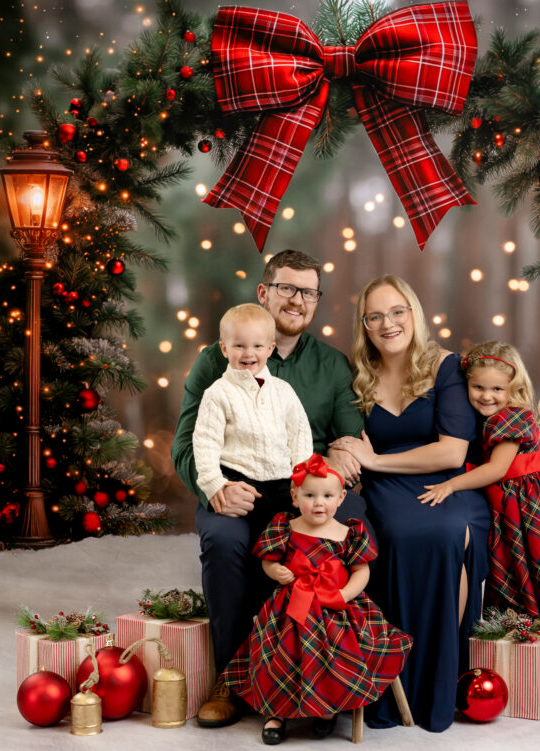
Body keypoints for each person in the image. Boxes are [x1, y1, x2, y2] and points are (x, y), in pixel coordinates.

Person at [171, 249, 369, 728]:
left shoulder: (332, 365)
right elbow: (187, 444)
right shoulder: (215, 362)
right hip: (234, 485)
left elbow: (348, 442)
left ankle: (332, 674)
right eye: (286, 288)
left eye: (308, 292)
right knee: (225, 540)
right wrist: (216, 489)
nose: (297, 300)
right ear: (264, 292)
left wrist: (322, 477)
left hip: (304, 486)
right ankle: (231, 678)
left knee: (352, 524)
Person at [329, 275, 490, 733]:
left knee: (448, 533)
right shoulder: (358, 374)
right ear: (364, 325)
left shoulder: (445, 366)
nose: (388, 323)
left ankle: (439, 681)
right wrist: (344, 454)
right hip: (387, 489)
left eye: (397, 311)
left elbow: (453, 452)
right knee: (396, 535)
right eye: (375, 316)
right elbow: (344, 438)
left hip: (448, 483)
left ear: (414, 313)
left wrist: (376, 460)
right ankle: (393, 679)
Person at [222, 453, 411, 745]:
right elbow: (268, 560)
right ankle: (275, 713)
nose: (318, 503)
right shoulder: (285, 526)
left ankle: (326, 708)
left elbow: (361, 571)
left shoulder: (349, 532)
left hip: (334, 605)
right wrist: (276, 571)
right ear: (295, 497)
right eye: (310, 495)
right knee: (280, 653)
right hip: (292, 605)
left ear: (341, 498)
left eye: (327, 496)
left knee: (337, 649)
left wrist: (344, 594)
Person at [418, 341, 540, 623]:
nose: (486, 396)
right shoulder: (484, 420)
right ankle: (524, 644)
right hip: (512, 508)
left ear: (513, 389)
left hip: (533, 508)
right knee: (519, 577)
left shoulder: (511, 418)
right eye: (478, 387)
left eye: (497, 389)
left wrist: (450, 485)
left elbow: (496, 469)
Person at [192, 302, 312, 528]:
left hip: (283, 481)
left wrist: (302, 477)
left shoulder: (283, 390)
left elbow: (300, 435)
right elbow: (206, 442)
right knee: (254, 533)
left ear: (270, 348)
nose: (249, 353)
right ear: (224, 348)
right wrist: (213, 483)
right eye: (239, 346)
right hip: (242, 481)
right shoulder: (218, 393)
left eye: (258, 346)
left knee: (293, 529)